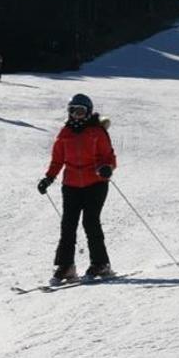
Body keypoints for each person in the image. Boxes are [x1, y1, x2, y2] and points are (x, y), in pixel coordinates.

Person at [37, 94, 117, 285]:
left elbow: (109, 156)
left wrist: (107, 168)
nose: (76, 115)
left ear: (88, 112)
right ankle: (66, 266)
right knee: (68, 225)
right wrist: (48, 178)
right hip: (71, 185)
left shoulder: (97, 132)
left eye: (80, 111)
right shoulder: (65, 133)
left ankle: (101, 264)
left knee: (90, 222)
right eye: (73, 111)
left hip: (95, 183)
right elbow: (58, 160)